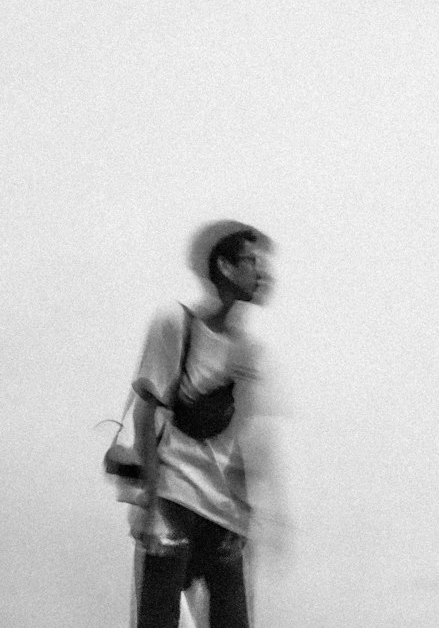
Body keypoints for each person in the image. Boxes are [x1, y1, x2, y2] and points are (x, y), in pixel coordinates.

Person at [128, 220, 279, 628]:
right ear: (226, 268)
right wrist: (151, 507)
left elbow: (239, 439)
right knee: (158, 621)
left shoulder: (247, 351)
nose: (263, 272)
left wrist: (245, 512)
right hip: (174, 503)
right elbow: (146, 418)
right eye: (252, 261)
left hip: (222, 515)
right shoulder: (175, 327)